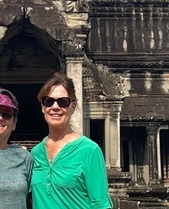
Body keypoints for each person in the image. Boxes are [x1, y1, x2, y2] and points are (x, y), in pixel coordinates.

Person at [30, 73, 111, 209]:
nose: (55, 107)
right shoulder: (36, 153)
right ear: (43, 107)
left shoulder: (89, 150)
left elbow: (100, 204)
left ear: (72, 107)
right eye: (49, 101)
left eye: (63, 102)